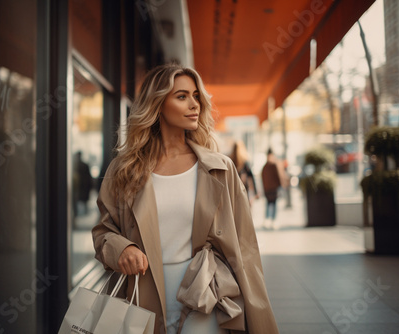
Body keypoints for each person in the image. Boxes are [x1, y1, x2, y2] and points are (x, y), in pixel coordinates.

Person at [92, 64, 279, 334]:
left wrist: (258, 316)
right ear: (157, 105)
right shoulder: (125, 170)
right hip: (140, 292)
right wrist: (121, 248)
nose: (194, 105)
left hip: (206, 293)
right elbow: (102, 232)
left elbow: (245, 249)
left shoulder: (219, 169)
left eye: (195, 96)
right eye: (181, 96)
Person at [261, 148, 282, 229]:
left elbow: (277, 177)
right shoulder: (268, 166)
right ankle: (268, 220)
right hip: (269, 188)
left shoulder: (269, 166)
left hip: (272, 188)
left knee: (273, 204)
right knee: (269, 204)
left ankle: (272, 220)